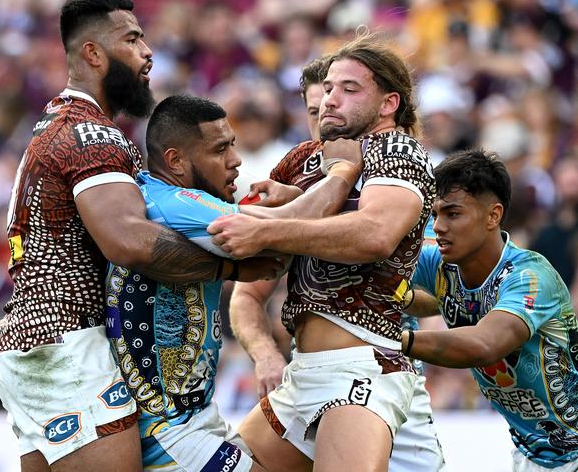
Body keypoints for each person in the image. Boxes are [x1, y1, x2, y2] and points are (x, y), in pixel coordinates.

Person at [0, 0, 277, 471]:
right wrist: (230, 264)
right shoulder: (91, 134)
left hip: (37, 346)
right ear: (93, 53)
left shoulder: (57, 124)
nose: (148, 53)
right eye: (132, 39)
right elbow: (129, 242)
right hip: (67, 344)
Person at [208, 29, 436, 472]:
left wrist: (268, 231)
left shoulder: (395, 148)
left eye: (350, 90)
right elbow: (252, 277)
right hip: (304, 370)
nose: (331, 100)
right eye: (328, 88)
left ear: (389, 103)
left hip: (361, 368)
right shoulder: (303, 161)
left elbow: (375, 234)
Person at [106, 94, 364, 471]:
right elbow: (290, 230)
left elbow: (269, 246)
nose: (235, 160)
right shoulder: (175, 204)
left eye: (233, 145)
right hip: (169, 432)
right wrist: (343, 171)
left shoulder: (165, 201)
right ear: (176, 161)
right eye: (220, 150)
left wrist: (286, 202)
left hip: (193, 419)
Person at [403, 149, 578, 472]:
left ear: (493, 216)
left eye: (453, 214)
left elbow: (485, 345)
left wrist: (395, 340)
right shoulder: (439, 265)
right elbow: (377, 273)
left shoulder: (530, 277)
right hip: (531, 454)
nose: (438, 226)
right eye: (436, 213)